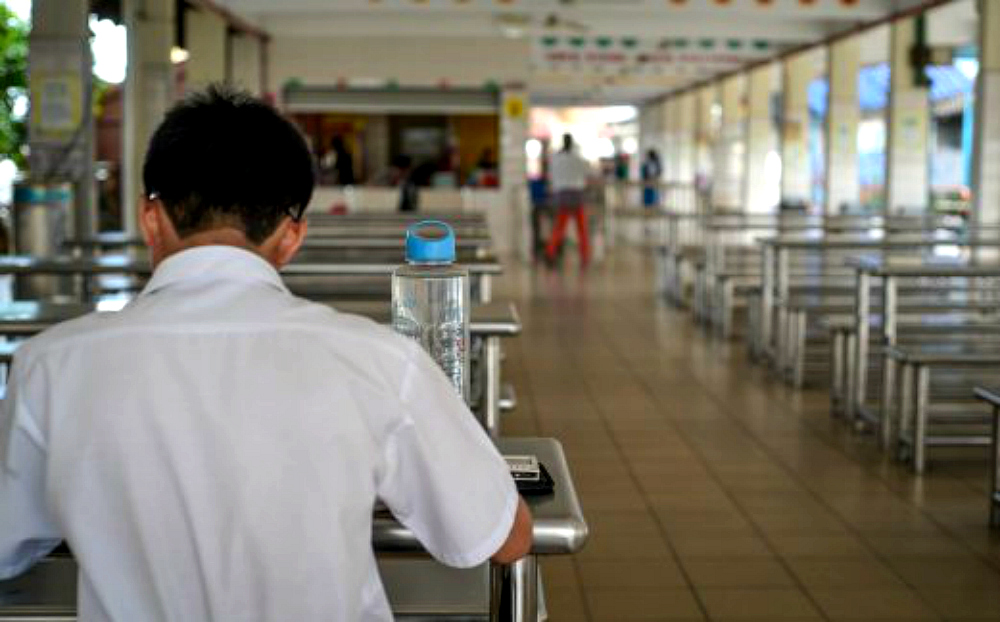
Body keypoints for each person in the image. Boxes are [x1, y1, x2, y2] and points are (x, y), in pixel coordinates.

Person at [0, 85, 532, 621]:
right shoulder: (379, 362)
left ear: (151, 219)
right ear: (291, 237)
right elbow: (502, 536)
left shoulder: (51, 368)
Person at [544, 133, 591, 267]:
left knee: (559, 227)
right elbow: (586, 172)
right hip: (577, 195)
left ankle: (550, 253)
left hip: (562, 196)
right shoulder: (578, 157)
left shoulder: (556, 158)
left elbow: (551, 176)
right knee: (581, 228)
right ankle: (585, 256)